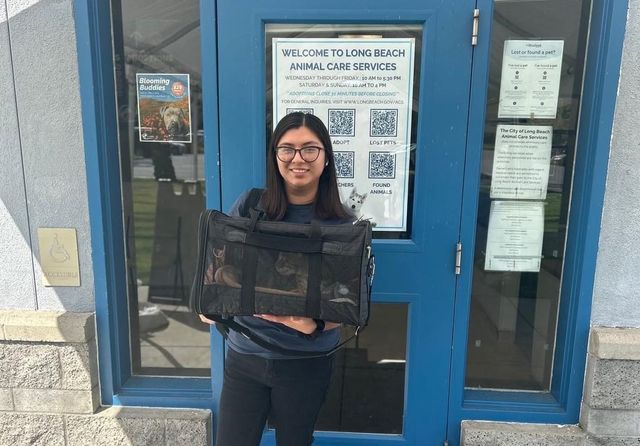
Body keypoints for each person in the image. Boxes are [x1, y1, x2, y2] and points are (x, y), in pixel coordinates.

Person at [198, 112, 354, 446]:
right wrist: (211, 300)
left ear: (326, 158)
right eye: (287, 149)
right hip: (245, 356)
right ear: (275, 157)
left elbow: (347, 303)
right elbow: (224, 266)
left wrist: (311, 325)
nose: (298, 159)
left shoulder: (343, 226)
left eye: (310, 149)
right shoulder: (251, 206)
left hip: (305, 363)